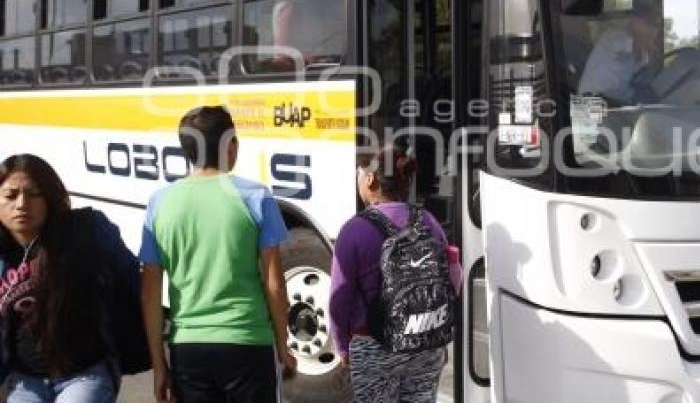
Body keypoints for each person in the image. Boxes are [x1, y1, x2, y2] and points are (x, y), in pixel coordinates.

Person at [139, 105, 296, 403]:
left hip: (188, 349)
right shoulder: (256, 196)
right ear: (230, 145)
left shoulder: (159, 203)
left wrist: (160, 366)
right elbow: (274, 284)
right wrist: (283, 345)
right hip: (247, 343)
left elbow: (150, 294)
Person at [0, 154, 140, 402]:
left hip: (85, 375)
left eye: (33, 194)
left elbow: (131, 279)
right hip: (23, 380)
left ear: (50, 197)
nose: (21, 204)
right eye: (10, 195)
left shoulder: (83, 231)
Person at [329, 144, 451, 403]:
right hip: (424, 340)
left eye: (359, 173)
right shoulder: (428, 221)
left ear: (371, 179)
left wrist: (342, 347)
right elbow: (453, 277)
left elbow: (339, 301)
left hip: (374, 344)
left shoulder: (354, 230)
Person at [577, 5, 661, 103]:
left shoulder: (643, 53)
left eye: (657, 25)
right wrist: (648, 44)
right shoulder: (614, 36)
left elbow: (641, 77)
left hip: (617, 98)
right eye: (649, 23)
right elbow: (630, 45)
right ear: (635, 21)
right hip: (592, 99)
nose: (654, 29)